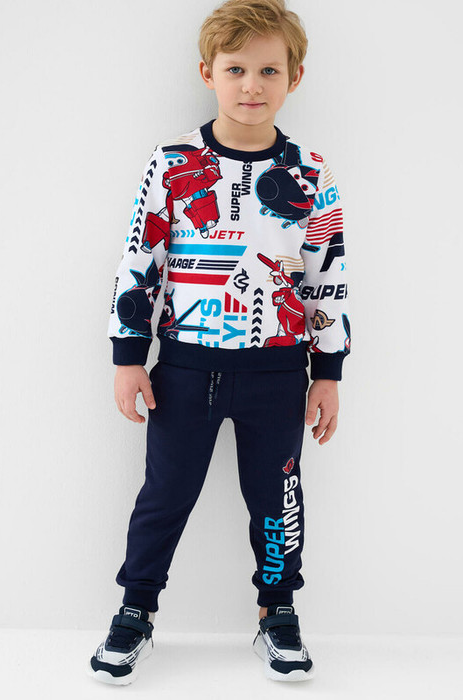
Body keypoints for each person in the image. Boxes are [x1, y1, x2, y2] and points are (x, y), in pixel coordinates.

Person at [88, 0, 351, 685]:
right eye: (235, 69)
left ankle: (277, 611)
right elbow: (140, 261)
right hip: (183, 369)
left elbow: (325, 273)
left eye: (268, 70)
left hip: (278, 373)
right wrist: (127, 357)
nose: (251, 85)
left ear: (294, 77)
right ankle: (135, 610)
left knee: (277, 498)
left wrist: (328, 371)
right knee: (165, 494)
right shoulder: (174, 161)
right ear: (207, 72)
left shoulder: (310, 171)